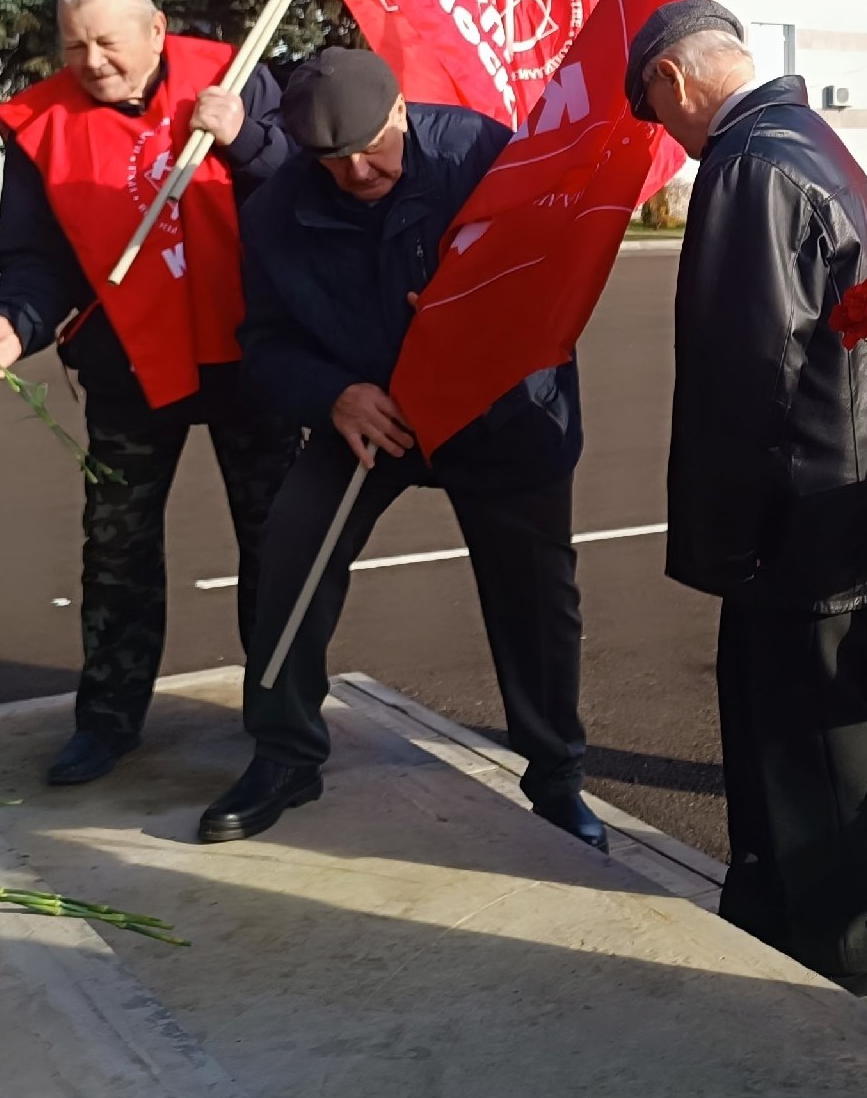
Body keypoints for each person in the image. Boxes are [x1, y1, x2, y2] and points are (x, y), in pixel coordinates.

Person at [200, 47, 598, 849]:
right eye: (331, 160)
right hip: (369, 414)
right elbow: (265, 347)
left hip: (499, 411)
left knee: (534, 598)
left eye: (372, 148)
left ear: (400, 111)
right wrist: (331, 395)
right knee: (290, 551)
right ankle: (284, 753)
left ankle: (556, 779)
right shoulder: (278, 210)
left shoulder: (481, 155)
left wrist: (477, 321)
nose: (355, 173)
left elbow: (556, 271)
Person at [636, 0, 867, 1013]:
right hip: (827, 495)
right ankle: (783, 909)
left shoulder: (750, 162)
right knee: (790, 726)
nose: (668, 144)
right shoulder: (808, 141)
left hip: (796, 511)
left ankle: (858, 942)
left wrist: (721, 535)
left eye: (658, 121)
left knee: (815, 735)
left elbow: (744, 368)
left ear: (672, 83)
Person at [0, 0, 300, 788]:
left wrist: (246, 141)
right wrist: (14, 322)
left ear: (156, 32)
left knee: (277, 543)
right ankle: (108, 721)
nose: (93, 60)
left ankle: (283, 724)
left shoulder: (237, 73)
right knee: (116, 549)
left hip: (250, 355)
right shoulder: (41, 124)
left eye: (109, 41)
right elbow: (37, 261)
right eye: (75, 44)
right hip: (127, 364)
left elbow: (303, 193)